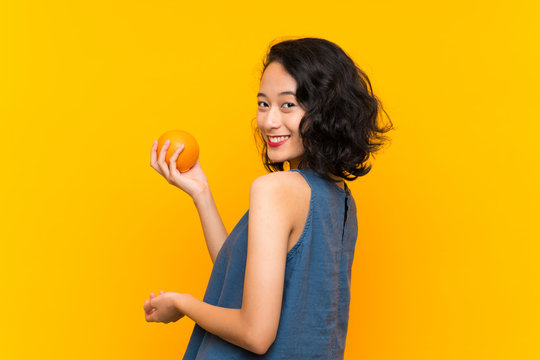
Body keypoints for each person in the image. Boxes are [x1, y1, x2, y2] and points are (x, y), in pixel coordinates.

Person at [144, 37, 393, 359]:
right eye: (263, 104)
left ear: (326, 111)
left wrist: (183, 303)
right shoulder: (341, 201)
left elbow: (256, 334)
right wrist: (201, 194)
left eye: (288, 104)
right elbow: (240, 275)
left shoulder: (275, 189)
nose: (269, 121)